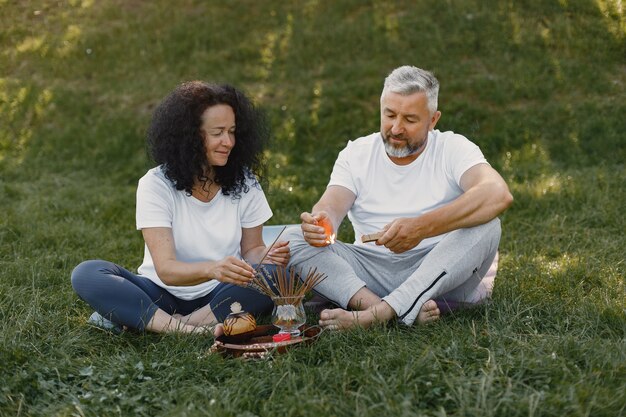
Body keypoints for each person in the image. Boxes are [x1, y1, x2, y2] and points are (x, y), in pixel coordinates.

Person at [284, 66, 513, 330]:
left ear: (433, 120)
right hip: (370, 271)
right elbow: (331, 206)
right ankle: (385, 308)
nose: (396, 128)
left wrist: (421, 228)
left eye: (410, 119)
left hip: (440, 271)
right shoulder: (356, 153)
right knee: (293, 239)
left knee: (487, 225)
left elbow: (498, 193)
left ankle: (375, 315)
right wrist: (322, 223)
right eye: (389, 115)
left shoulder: (453, 148)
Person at [71, 81, 289, 334]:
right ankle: (188, 330)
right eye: (217, 133)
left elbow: (251, 250)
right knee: (87, 273)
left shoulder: (245, 181)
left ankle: (144, 318)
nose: (228, 142)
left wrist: (267, 257)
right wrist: (213, 268)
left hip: (221, 292)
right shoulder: (155, 184)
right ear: (191, 136)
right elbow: (166, 270)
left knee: (276, 273)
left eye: (232, 131)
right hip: (162, 292)